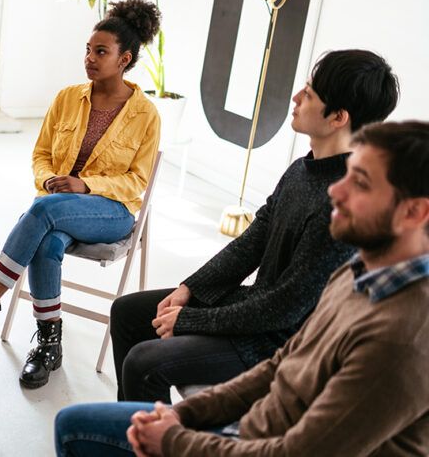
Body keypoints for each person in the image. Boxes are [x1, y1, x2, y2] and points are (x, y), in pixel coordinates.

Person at [54, 120, 429, 457]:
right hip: (248, 432)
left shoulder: (402, 340)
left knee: (76, 431)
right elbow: (279, 367)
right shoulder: (357, 273)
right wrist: (179, 414)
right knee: (75, 418)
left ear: (415, 212)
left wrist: (172, 441)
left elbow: (297, 452)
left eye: (360, 182)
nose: (337, 191)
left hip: (262, 444)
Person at [109, 50, 399, 403]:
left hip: (280, 344)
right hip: (258, 312)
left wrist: (190, 321)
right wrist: (191, 288)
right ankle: (127, 437)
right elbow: (253, 242)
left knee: (145, 362)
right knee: (127, 313)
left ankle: (155, 441)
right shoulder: (302, 169)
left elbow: (285, 309)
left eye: (308, 94)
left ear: (338, 117)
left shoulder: (342, 204)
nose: (295, 98)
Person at [0, 0, 162, 389]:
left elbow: (137, 181)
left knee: (44, 213)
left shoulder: (146, 115)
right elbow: (41, 154)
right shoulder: (68, 98)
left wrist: (85, 186)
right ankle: (49, 345)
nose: (89, 58)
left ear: (125, 59)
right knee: (48, 242)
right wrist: (51, 179)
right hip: (60, 207)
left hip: (112, 211)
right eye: (87, 50)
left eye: (100, 52)